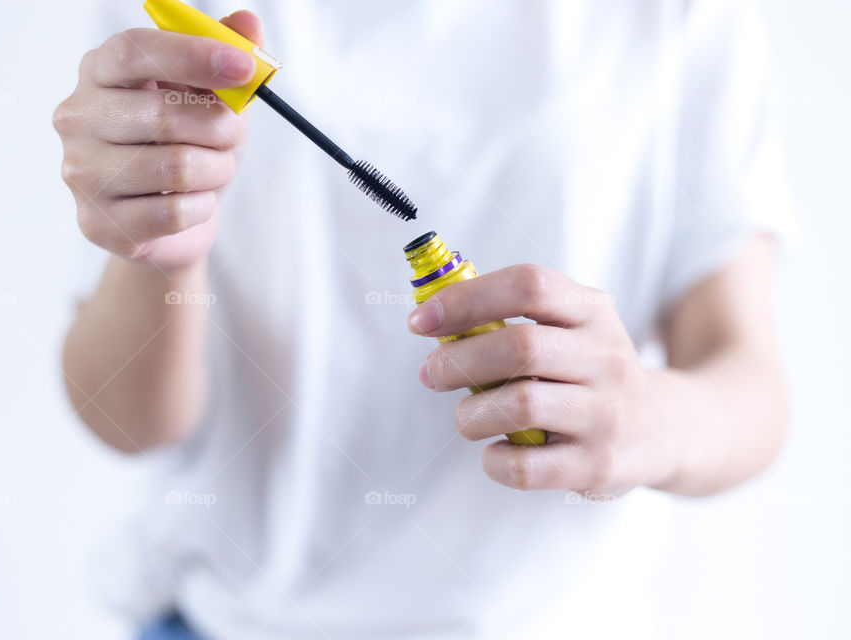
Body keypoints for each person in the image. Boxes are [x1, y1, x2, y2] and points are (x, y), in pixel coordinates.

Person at [52, 1, 793, 638]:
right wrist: (157, 254)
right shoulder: (189, 21)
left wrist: (648, 418)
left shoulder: (676, 17)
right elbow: (128, 423)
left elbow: (750, 386)